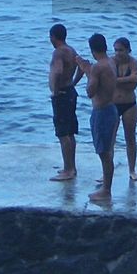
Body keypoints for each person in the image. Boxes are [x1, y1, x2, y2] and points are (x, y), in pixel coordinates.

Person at [75, 33, 119, 203]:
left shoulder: (98, 67)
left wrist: (87, 70)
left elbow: (90, 92)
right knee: (107, 152)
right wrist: (89, 70)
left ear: (92, 50)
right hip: (111, 108)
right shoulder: (111, 62)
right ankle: (106, 188)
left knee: (104, 153)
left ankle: (106, 190)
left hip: (102, 112)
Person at [48, 23, 84, 181]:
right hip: (70, 91)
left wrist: (55, 91)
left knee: (63, 133)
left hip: (62, 94)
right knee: (69, 132)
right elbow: (82, 67)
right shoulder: (71, 50)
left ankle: (68, 170)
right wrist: (73, 83)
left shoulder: (58, 52)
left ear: (53, 37)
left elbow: (58, 71)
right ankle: (71, 167)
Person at [112, 37, 137, 181]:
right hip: (113, 104)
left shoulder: (133, 62)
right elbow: (108, 82)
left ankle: (132, 170)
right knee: (110, 139)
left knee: (130, 138)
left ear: (128, 50)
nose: (118, 53)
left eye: (121, 50)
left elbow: (134, 82)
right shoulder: (111, 62)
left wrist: (117, 82)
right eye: (116, 50)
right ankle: (106, 171)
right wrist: (127, 80)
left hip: (129, 104)